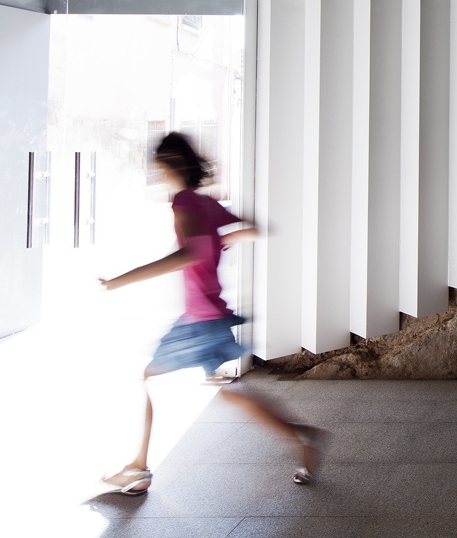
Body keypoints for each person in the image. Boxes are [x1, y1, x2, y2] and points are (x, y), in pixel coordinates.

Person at [99, 131, 325, 494]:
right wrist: (225, 238)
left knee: (150, 376)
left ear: (173, 164)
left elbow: (192, 254)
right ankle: (302, 438)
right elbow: (255, 228)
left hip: (200, 319)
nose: (159, 174)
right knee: (229, 391)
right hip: (211, 315)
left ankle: (139, 469)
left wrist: (121, 280)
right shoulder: (207, 204)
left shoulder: (184, 203)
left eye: (160, 167)